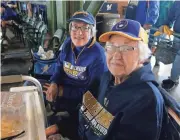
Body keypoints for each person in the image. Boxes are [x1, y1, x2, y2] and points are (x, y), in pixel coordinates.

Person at [46, 19, 164, 140]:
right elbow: (85, 114)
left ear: (142, 56)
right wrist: (59, 128)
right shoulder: (106, 78)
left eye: (126, 48)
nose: (116, 55)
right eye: (111, 47)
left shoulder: (146, 100)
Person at [44, 11, 108, 114]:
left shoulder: (98, 55)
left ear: (92, 32)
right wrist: (54, 83)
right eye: (75, 27)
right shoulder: (67, 43)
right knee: (31, 88)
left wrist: (62, 91)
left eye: (85, 28)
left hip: (79, 101)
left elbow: (93, 94)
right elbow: (59, 67)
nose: (79, 33)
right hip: (61, 88)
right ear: (70, 30)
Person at [159, 1, 180, 90]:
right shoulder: (177, 3)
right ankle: (175, 77)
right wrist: (165, 25)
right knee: (175, 57)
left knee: (178, 60)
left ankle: (173, 79)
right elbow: (170, 17)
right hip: (177, 36)